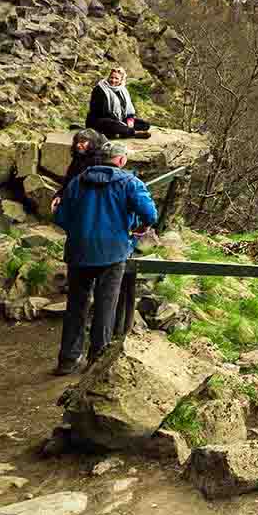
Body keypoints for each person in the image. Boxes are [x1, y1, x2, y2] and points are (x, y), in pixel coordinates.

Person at [53, 140, 157, 375]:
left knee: (76, 305)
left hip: (79, 252)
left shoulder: (78, 181)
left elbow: (60, 218)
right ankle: (96, 361)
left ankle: (68, 360)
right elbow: (150, 213)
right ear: (121, 160)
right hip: (113, 253)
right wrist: (136, 229)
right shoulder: (129, 182)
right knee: (105, 306)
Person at [50, 128, 106, 215]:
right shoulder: (79, 157)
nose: (78, 145)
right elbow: (69, 179)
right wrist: (59, 195)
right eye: (77, 142)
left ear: (92, 143)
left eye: (83, 142)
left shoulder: (100, 161)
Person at [87, 66, 152, 139]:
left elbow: (129, 111)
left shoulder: (123, 90)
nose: (113, 80)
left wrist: (129, 121)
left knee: (145, 125)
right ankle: (133, 133)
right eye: (111, 77)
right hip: (100, 121)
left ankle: (121, 132)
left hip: (120, 119)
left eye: (116, 78)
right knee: (111, 124)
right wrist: (120, 123)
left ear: (121, 80)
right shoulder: (99, 89)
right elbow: (99, 113)